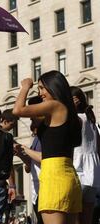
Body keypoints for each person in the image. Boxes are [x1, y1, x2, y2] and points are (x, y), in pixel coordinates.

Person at [12, 71, 82, 224]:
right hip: (69, 176)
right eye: (38, 89)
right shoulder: (72, 115)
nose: (40, 93)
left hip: (54, 177)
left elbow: (17, 110)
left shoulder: (54, 105)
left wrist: (25, 87)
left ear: (54, 87)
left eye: (42, 88)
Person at [70, 86, 100, 224]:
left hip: (78, 167)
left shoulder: (75, 119)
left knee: (74, 216)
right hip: (93, 171)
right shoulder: (92, 121)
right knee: (87, 217)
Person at [13, 96, 44, 224]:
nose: (30, 118)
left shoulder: (47, 134)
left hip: (45, 186)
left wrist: (26, 150)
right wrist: (20, 154)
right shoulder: (37, 137)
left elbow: (44, 158)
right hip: (37, 188)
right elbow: (29, 166)